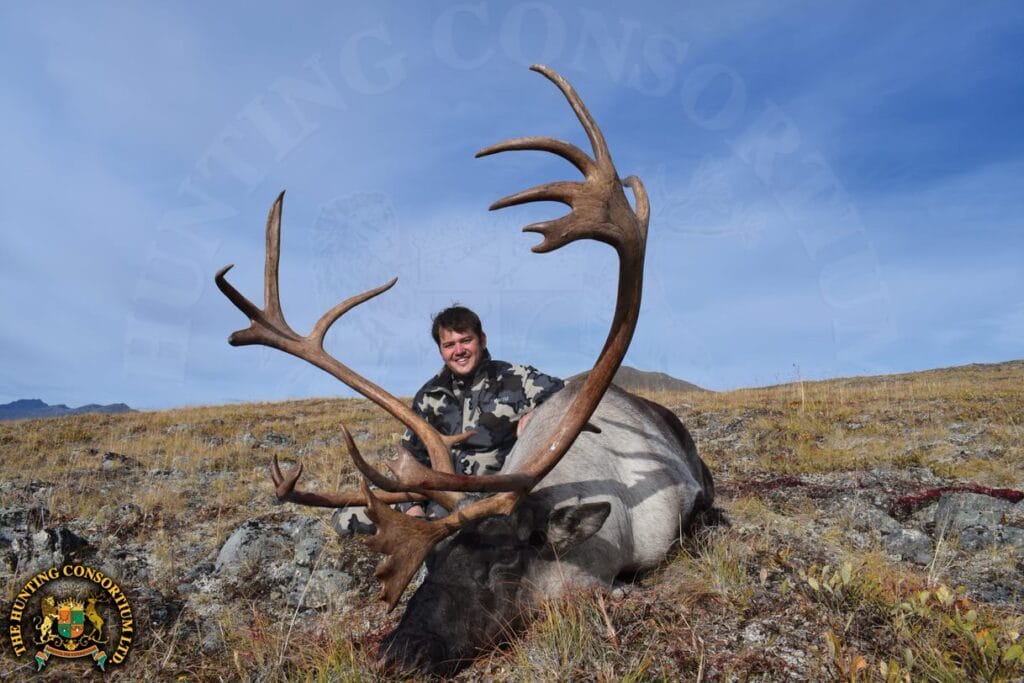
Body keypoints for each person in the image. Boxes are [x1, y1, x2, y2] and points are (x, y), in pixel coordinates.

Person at [332, 305, 564, 535]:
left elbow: (566, 393)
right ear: (441, 350)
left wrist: (539, 413)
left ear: (482, 340)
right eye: (449, 345)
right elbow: (411, 458)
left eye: (466, 340)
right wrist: (411, 507)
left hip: (494, 496)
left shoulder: (517, 379)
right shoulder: (429, 395)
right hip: (438, 495)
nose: (459, 350)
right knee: (345, 518)